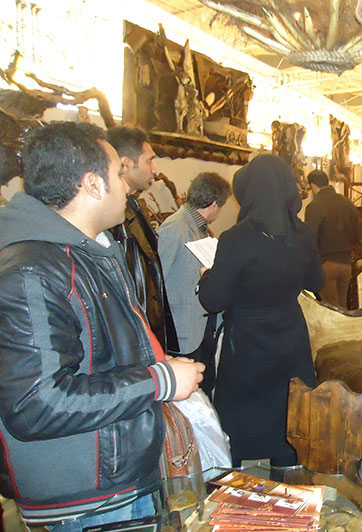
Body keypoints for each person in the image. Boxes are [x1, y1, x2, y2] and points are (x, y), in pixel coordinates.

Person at [0, 122, 204, 529]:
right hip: (86, 494)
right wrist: (160, 381)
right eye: (117, 173)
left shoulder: (85, 251)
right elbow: (38, 403)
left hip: (116, 473)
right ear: (93, 184)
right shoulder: (32, 271)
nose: (126, 186)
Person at [198, 155, 324, 468]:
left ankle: (234, 486)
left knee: (240, 421)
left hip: (248, 342)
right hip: (290, 335)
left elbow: (213, 300)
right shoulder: (303, 234)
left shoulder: (236, 239)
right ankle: (289, 482)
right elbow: (315, 282)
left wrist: (205, 277)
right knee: (288, 415)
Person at [107, 127, 179, 354]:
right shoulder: (111, 219)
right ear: (125, 164)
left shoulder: (133, 206)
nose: (155, 169)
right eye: (149, 160)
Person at [158, 172, 230, 393]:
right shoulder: (175, 228)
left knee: (205, 387)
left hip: (200, 326)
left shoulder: (199, 228)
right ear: (215, 204)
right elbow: (157, 280)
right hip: (182, 330)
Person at [304, 169, 360, 308]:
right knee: (342, 307)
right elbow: (357, 235)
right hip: (346, 264)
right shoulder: (347, 203)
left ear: (312, 186)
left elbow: (310, 239)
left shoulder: (314, 206)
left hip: (325, 264)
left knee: (331, 310)